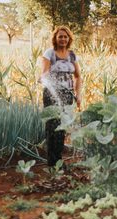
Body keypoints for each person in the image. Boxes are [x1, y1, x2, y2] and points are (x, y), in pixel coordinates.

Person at [41, 26, 82, 167]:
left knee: (62, 126)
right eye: (60, 36)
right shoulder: (50, 53)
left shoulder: (72, 55)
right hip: (52, 93)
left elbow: (78, 76)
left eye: (65, 36)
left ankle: (58, 160)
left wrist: (78, 94)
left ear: (69, 39)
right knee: (52, 126)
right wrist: (45, 79)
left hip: (67, 94)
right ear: (55, 38)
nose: (63, 39)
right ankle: (52, 162)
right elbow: (45, 72)